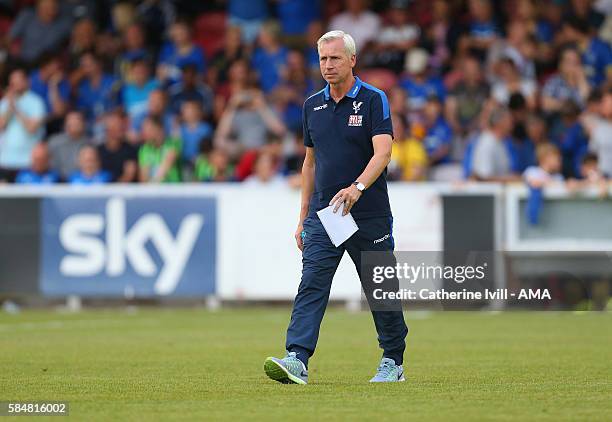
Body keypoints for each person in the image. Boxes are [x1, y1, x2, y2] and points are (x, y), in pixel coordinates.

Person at [264, 31, 408, 385]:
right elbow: (309, 164)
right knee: (312, 283)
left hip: (369, 213)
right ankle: (296, 357)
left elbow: (383, 153)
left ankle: (393, 359)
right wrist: (302, 218)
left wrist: (357, 187)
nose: (327, 65)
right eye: (323, 59)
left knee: (381, 291)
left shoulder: (374, 99)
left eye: (335, 58)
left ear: (352, 60)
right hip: (325, 215)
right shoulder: (312, 105)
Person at [0, 68, 46, 182]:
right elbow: (1, 126)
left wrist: (16, 109)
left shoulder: (36, 102)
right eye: (13, 82)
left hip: (28, 161)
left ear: (27, 81)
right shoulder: (5, 102)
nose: (16, 84)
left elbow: (32, 128)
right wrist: (9, 108)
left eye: (19, 80)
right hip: (5, 160)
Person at [471, 107, 519, 181]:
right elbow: (483, 176)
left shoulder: (501, 142)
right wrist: (513, 179)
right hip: (488, 191)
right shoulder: (487, 142)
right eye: (510, 121)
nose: (512, 126)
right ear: (500, 123)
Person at [48, 110, 90, 180]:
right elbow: (50, 165)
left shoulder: (89, 143)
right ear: (65, 125)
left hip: (82, 182)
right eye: (71, 121)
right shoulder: (54, 142)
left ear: (83, 124)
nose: (74, 124)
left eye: (77, 121)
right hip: (58, 181)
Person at [138, 116, 182, 183]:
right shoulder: (144, 150)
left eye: (148, 129)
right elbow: (144, 178)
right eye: (143, 129)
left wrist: (150, 187)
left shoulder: (173, 144)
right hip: (153, 191)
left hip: (173, 191)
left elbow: (164, 170)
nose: (144, 133)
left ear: (159, 129)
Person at [97, 112, 138, 183]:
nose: (121, 128)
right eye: (117, 126)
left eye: (121, 125)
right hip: (102, 190)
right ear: (108, 130)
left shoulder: (130, 150)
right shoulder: (99, 151)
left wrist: (114, 190)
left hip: (124, 191)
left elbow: (129, 175)